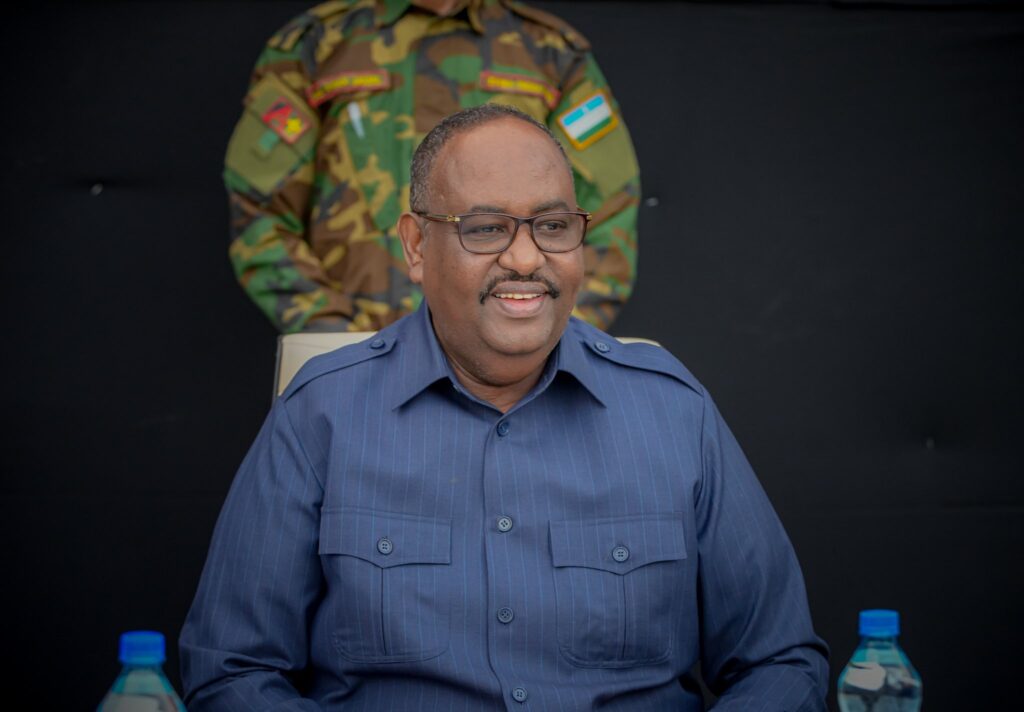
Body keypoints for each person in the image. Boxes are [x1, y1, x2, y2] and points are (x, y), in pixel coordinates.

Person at [182, 105, 828, 710]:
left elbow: (779, 661)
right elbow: (232, 670)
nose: (525, 258)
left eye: (552, 226)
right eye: (485, 228)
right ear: (415, 245)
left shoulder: (672, 411)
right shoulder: (321, 414)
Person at [225, 0, 640, 334]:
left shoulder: (549, 53)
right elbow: (260, 209)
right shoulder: (319, 44)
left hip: (518, 376)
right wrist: (335, 341)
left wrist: (547, 339)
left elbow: (609, 210)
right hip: (357, 360)